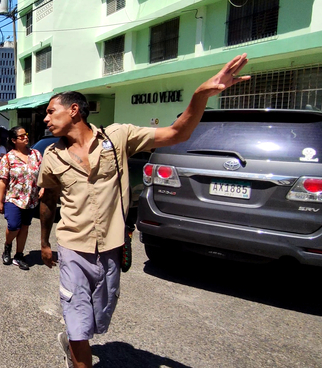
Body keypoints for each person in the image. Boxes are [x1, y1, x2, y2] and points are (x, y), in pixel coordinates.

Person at [38, 54, 250, 368]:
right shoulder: (51, 155)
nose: (45, 118)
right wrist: (44, 241)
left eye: (50, 111)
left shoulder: (118, 136)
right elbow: (48, 200)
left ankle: (72, 342)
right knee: (77, 317)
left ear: (73, 111)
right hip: (72, 247)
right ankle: (76, 347)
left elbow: (177, 133)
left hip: (110, 246)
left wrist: (199, 96)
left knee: (99, 315)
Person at [0, 126, 43, 271]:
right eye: (21, 136)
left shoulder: (35, 154)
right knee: (14, 226)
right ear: (14, 140)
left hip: (31, 199)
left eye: (26, 135)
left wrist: (44, 188)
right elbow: (3, 180)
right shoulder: (8, 158)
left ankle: (19, 255)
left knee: (25, 227)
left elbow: (44, 173)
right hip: (14, 198)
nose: (25, 137)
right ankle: (8, 245)